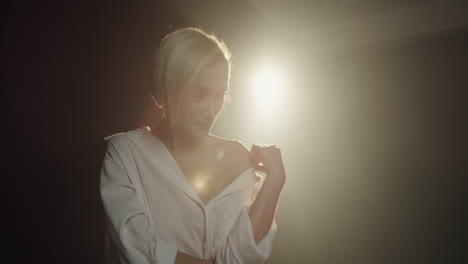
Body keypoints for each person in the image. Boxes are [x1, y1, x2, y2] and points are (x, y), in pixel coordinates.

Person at [100, 27, 286, 264]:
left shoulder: (238, 157)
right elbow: (138, 250)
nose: (211, 110)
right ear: (167, 90)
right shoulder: (124, 153)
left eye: (220, 95)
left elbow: (241, 257)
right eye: (200, 95)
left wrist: (276, 181)